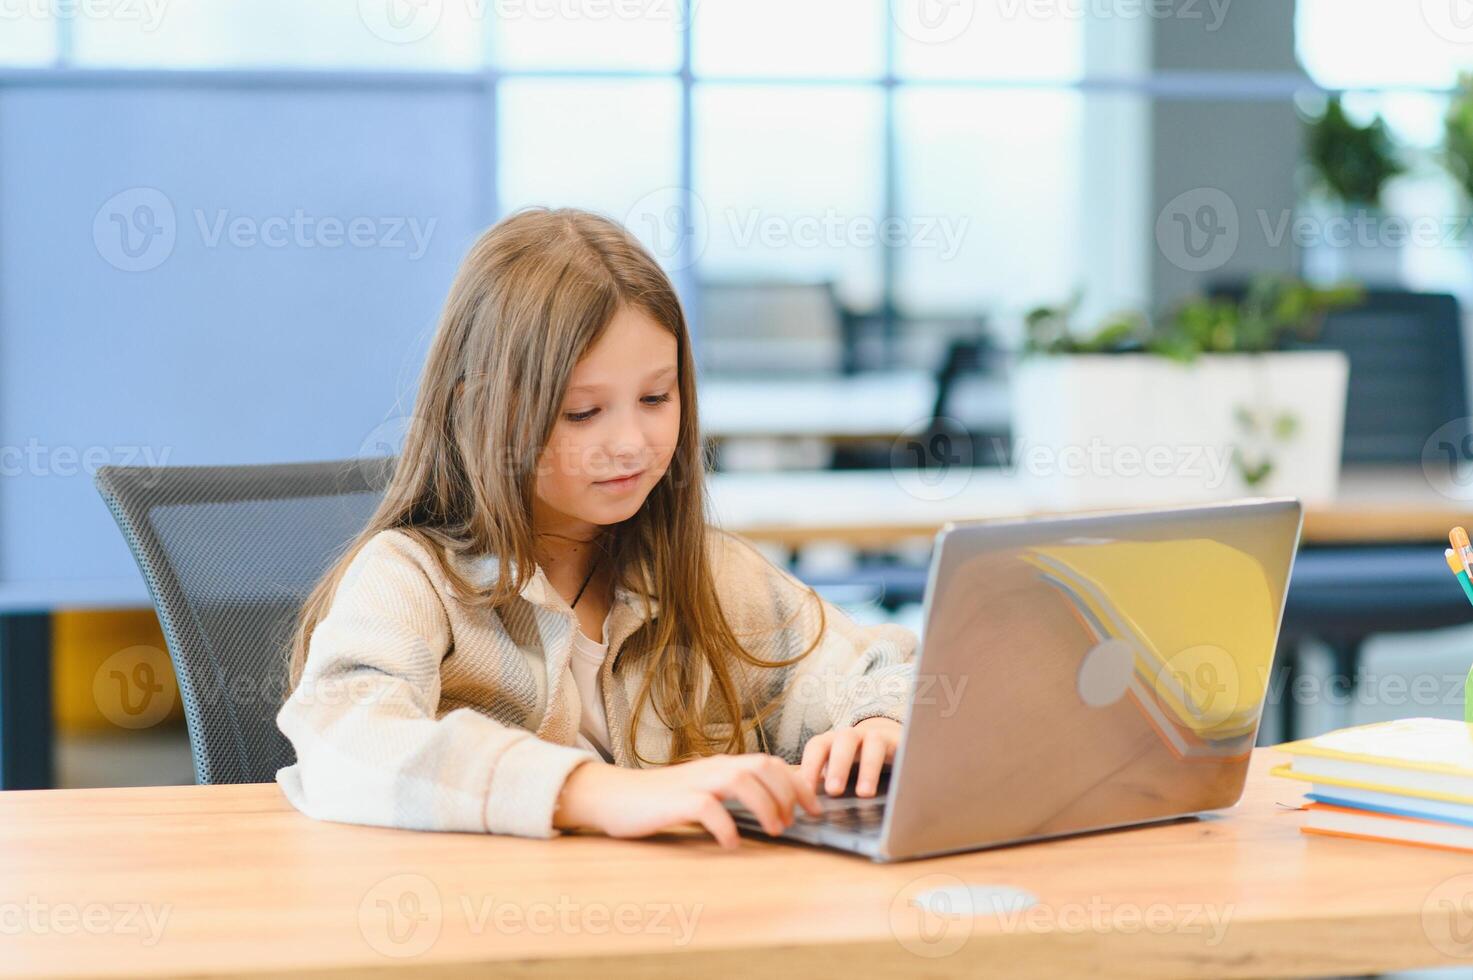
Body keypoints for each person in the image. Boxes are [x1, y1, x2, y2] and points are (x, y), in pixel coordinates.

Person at [274, 207, 918, 848]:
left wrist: (881, 721)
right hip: (491, 933)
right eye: (582, 412)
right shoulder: (412, 577)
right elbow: (341, 737)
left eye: (656, 399)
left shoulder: (709, 574)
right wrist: (592, 792)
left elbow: (886, 667)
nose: (631, 443)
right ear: (480, 409)